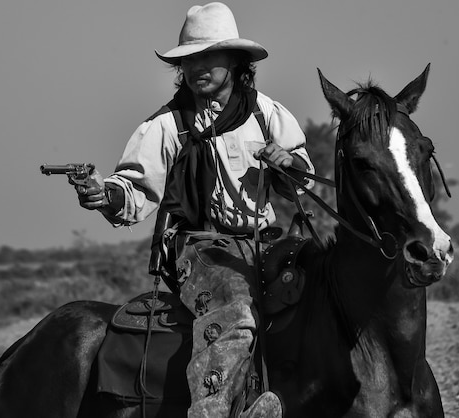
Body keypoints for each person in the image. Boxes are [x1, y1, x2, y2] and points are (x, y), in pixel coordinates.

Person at [74, 3, 314, 417]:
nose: (197, 66)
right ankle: (212, 411)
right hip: (198, 248)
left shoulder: (267, 114)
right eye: (189, 59)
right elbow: (132, 191)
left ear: (236, 62)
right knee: (235, 307)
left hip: (267, 243)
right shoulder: (166, 125)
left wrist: (288, 165)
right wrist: (106, 196)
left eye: (208, 56)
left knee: (325, 288)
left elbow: (303, 179)